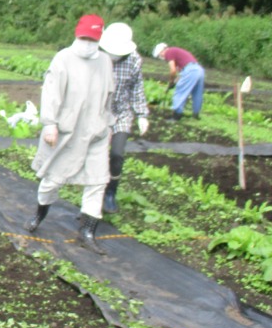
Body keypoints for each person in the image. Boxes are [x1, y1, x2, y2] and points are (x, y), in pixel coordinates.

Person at [26, 15, 114, 254]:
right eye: (84, 38)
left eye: (92, 39)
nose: (87, 43)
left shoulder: (105, 61)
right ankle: (39, 214)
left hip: (95, 131)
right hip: (67, 132)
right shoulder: (63, 58)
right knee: (52, 181)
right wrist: (50, 124)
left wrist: (109, 126)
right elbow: (51, 92)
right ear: (77, 35)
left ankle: (87, 232)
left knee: (98, 181)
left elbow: (108, 97)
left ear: (99, 39)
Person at [99, 23, 149, 213]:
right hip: (100, 111)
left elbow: (137, 88)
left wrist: (142, 114)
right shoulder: (98, 56)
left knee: (117, 154)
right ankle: (96, 191)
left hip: (121, 112)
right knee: (98, 153)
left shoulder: (134, 60)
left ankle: (111, 192)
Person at [152, 42, 205, 119]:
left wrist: (171, 81)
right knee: (197, 93)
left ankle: (177, 115)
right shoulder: (176, 53)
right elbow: (181, 74)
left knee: (179, 92)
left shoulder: (169, 52)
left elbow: (173, 71)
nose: (162, 57)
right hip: (199, 70)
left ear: (162, 51)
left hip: (190, 71)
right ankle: (196, 115)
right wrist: (174, 83)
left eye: (160, 55)